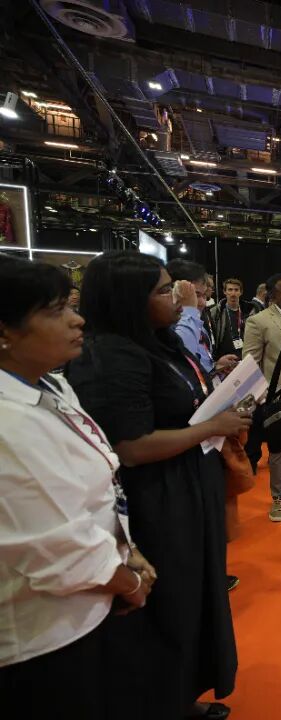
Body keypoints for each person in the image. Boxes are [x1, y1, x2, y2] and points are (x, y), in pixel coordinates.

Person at [66, 251, 251, 718]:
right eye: (164, 291)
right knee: (166, 605)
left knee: (190, 599)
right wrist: (211, 427)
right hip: (155, 498)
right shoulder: (111, 355)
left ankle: (180, 695)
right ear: (129, 299)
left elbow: (178, 405)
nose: (178, 298)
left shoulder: (159, 343)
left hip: (188, 485)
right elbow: (131, 446)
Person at [0, 256, 160, 719]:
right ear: (5, 331)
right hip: (43, 636)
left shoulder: (51, 384)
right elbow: (56, 548)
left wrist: (126, 551)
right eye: (56, 312)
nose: (77, 320)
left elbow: (98, 485)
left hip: (91, 600)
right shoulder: (8, 422)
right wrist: (129, 581)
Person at [243, 272, 281, 522]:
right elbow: (250, 364)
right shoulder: (259, 321)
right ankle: (279, 497)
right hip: (277, 397)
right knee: (279, 452)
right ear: (272, 296)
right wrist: (261, 397)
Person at [167, 259, 238, 377]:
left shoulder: (197, 323)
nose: (202, 302)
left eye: (204, 295)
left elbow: (198, 365)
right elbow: (184, 361)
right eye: (195, 295)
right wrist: (189, 309)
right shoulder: (167, 327)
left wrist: (215, 366)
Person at [208, 277, 252, 360]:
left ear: (241, 292)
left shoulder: (249, 312)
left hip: (245, 357)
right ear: (224, 292)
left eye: (236, 290)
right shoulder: (215, 312)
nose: (233, 293)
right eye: (230, 290)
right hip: (223, 358)